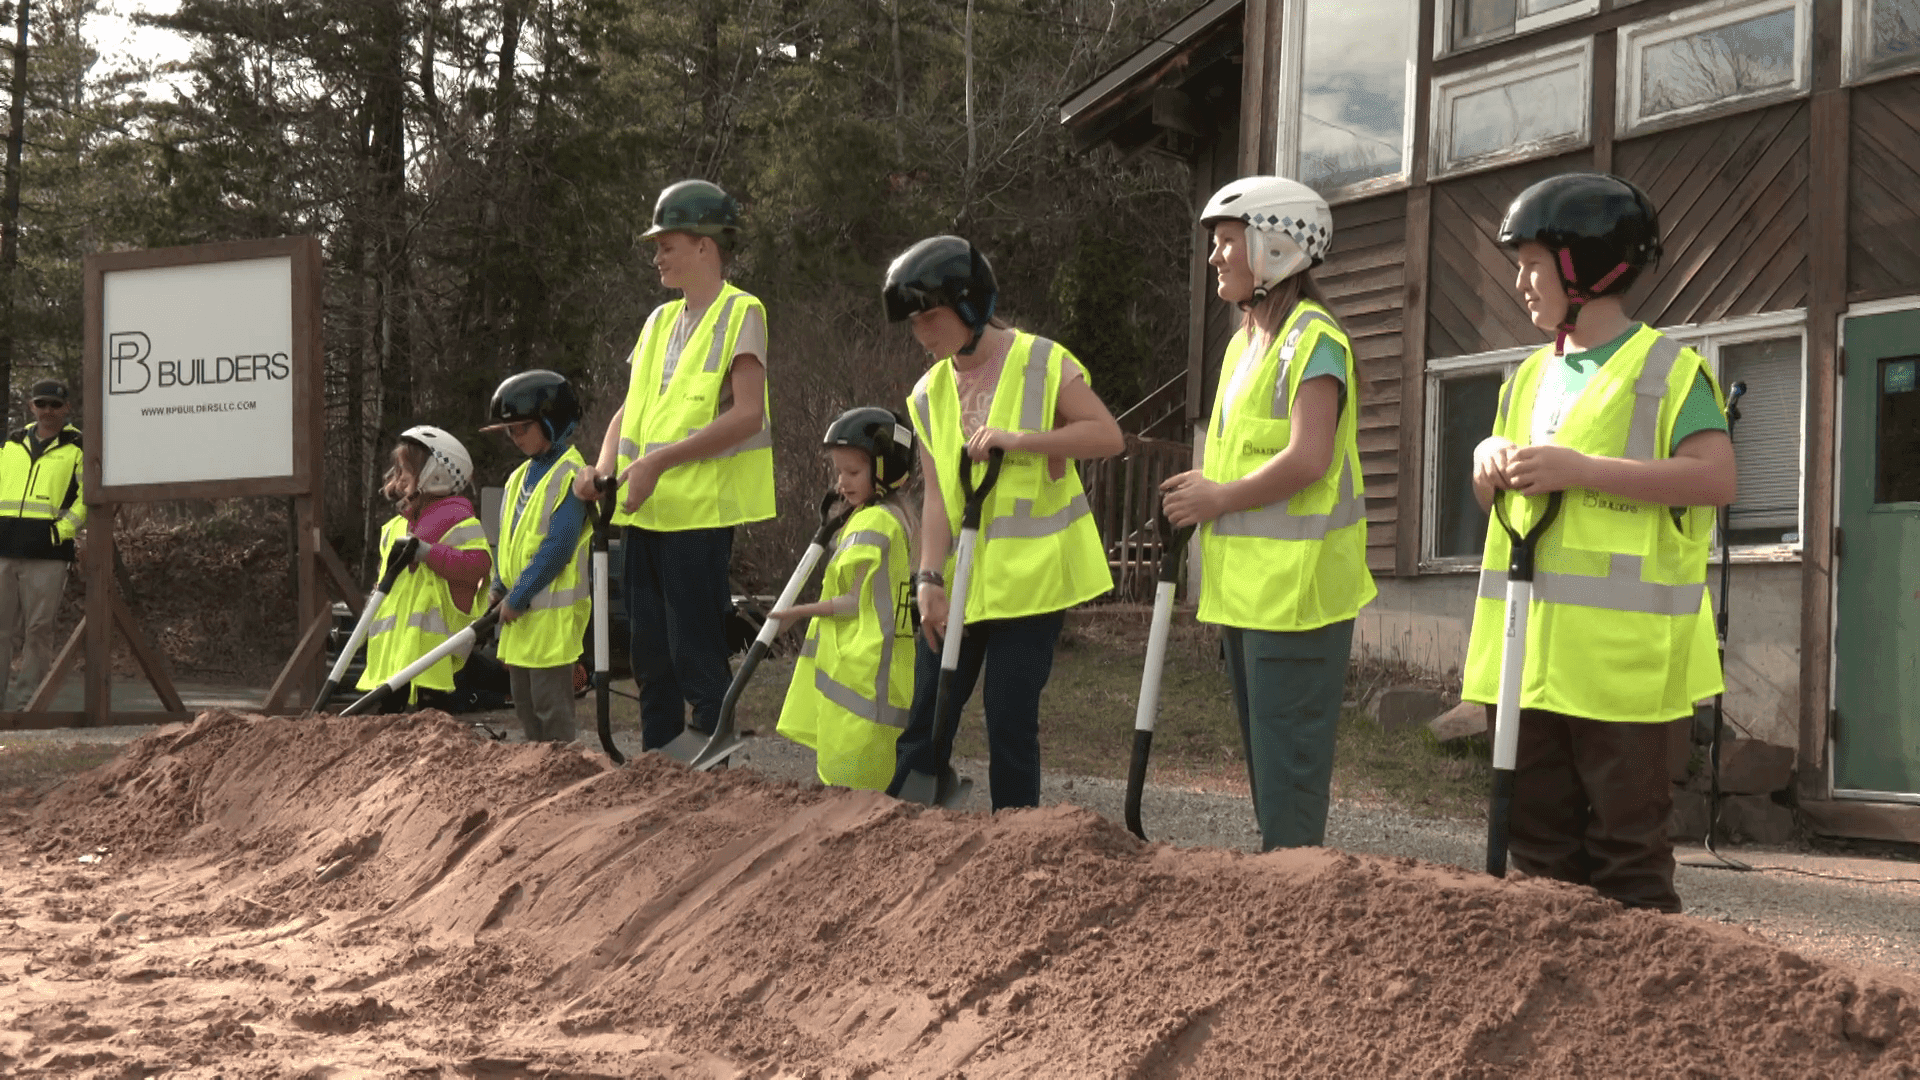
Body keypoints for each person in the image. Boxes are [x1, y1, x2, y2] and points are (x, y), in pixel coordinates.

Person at [1463, 172, 1737, 913]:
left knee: (1629, 864)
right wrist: (1487, 462)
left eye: (1531, 264)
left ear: (1585, 263)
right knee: (1538, 857)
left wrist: (1581, 471)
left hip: (1625, 674)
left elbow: (1715, 480)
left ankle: (1638, 1023)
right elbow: (1508, 501)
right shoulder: (1526, 377)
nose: (1520, 282)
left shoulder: (1670, 371)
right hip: (1526, 664)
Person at [1159, 177, 1376, 851]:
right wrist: (1208, 483)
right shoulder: (1241, 345)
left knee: (1289, 781)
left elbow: (1310, 457)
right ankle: (1280, 898)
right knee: (1267, 774)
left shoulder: (1316, 340)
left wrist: (1219, 497)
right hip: (1246, 594)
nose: (1215, 258)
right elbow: (1244, 452)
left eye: (1227, 243)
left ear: (1274, 246)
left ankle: (1298, 909)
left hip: (1300, 596)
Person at [882, 235, 1123, 810]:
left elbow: (1106, 436)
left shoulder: (1041, 361)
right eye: (913, 321)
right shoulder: (928, 392)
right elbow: (938, 496)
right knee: (928, 711)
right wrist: (928, 581)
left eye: (930, 317)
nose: (921, 333)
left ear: (970, 305)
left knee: (1010, 717)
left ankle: (1018, 843)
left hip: (1033, 581)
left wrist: (1022, 441)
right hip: (960, 584)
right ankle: (908, 824)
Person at [572, 179, 773, 753]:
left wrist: (659, 462)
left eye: (667, 243)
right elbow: (628, 410)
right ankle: (658, 764)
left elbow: (748, 416)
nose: (657, 255)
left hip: (696, 516)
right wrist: (604, 466)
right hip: (643, 515)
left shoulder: (743, 312)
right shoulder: (658, 323)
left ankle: (710, 765)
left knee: (696, 651)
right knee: (650, 653)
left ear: (706, 246)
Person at [773, 407, 919, 790]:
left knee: (854, 789)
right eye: (838, 472)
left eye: (852, 472)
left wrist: (796, 612)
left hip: (862, 673)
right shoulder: (893, 519)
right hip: (882, 673)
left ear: (885, 471)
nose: (842, 482)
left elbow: (852, 602)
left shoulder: (874, 522)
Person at [483, 370, 592, 743]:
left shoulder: (572, 477)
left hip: (550, 625)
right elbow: (508, 541)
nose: (515, 438)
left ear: (551, 421)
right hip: (520, 621)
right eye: (510, 431)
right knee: (526, 712)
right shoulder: (517, 479)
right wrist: (499, 586)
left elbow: (558, 548)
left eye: (522, 429)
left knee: (551, 713)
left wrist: (521, 593)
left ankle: (564, 782)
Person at [357, 426, 494, 710]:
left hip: (429, 662)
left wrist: (428, 553)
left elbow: (476, 567)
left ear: (436, 473)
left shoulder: (458, 521)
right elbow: (385, 585)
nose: (400, 476)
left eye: (407, 469)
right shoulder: (394, 528)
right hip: (390, 660)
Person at [0, 379, 85, 710]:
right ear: (31, 407)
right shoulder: (11, 443)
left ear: (66, 408)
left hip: (47, 553)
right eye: (41, 404)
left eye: (54, 404)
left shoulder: (78, 446)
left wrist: (63, 530)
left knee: (38, 630)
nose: (48, 410)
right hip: (4, 548)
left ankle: (26, 703)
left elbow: (87, 499)